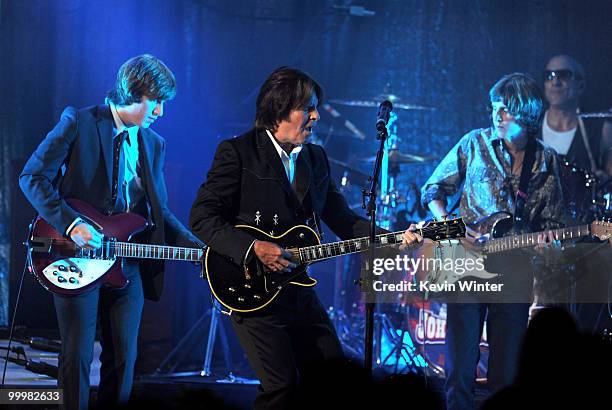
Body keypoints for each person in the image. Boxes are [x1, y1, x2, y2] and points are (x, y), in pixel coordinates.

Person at [189, 66, 421, 410]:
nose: (315, 115)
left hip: (298, 290)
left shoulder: (316, 158)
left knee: (334, 380)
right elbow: (201, 217)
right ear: (280, 110)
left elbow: (342, 219)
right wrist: (252, 248)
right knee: (281, 387)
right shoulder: (238, 152)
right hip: (251, 290)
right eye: (308, 108)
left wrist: (392, 239)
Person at [19, 54, 202, 410]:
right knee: (77, 356)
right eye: (157, 101)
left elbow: (159, 212)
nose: (161, 112)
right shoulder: (79, 122)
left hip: (127, 263)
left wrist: (197, 247)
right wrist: (72, 223)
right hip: (74, 255)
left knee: (124, 360)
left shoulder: (153, 144)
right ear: (133, 91)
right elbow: (32, 177)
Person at [421, 73, 564, 410]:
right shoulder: (474, 143)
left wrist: (547, 243)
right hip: (465, 264)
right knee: (459, 372)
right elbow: (433, 190)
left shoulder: (545, 160)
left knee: (506, 373)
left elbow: (553, 222)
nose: (496, 116)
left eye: (505, 110)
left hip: (513, 271)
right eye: (494, 108)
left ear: (526, 115)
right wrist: (450, 226)